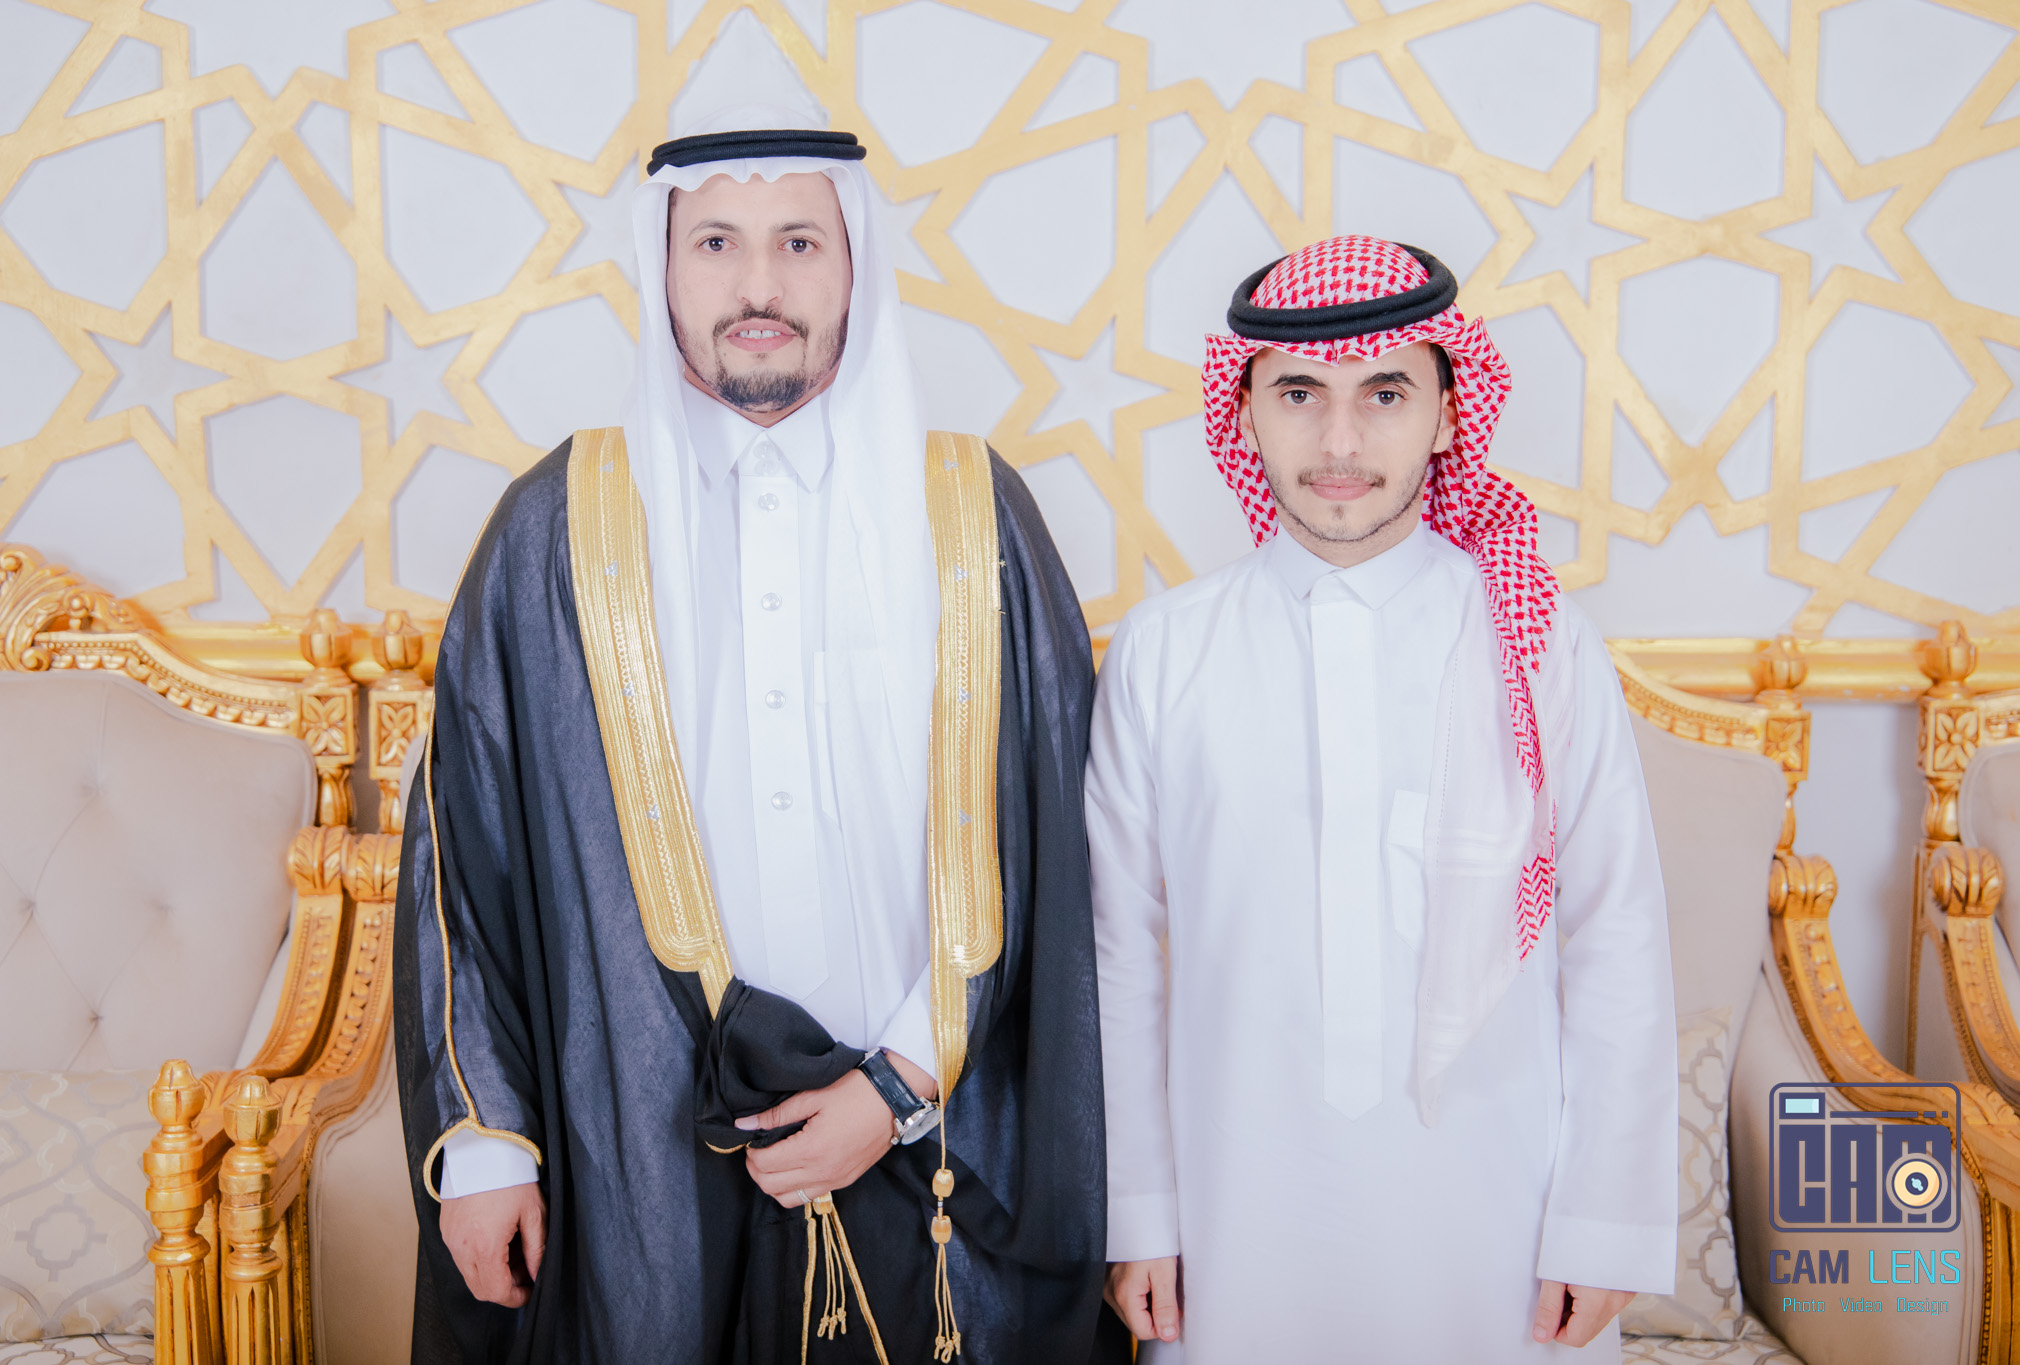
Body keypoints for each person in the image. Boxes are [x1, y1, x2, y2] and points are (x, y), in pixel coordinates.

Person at [394, 107, 1111, 1364]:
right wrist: (487, 1147)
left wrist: (895, 1085)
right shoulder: (555, 527)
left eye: (799, 242)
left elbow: (1050, 844)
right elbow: (465, 858)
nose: (758, 285)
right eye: (716, 242)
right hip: (641, 1149)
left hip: (931, 1132)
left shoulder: (971, 514)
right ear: (663, 269)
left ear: (855, 266)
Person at [1087, 235, 1677, 1360]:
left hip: (1500, 1226)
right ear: (1243, 410)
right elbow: (1115, 955)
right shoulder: (1164, 654)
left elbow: (1617, 933)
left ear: (1450, 413)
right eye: (1299, 394)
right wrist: (1139, 1213)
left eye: (1386, 394)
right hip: (1232, 1218)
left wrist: (1603, 1219)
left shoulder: (1541, 645)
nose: (1341, 442)